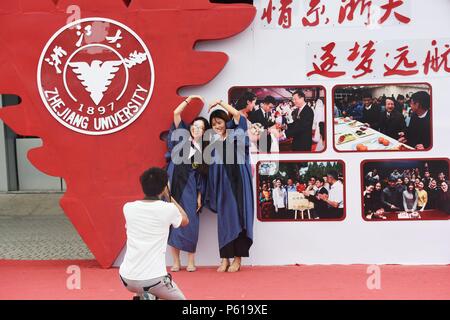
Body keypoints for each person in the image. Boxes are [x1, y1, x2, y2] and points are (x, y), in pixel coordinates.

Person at [119, 168, 189, 300]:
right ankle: (148, 295)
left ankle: (144, 296)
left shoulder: (128, 208)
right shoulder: (168, 209)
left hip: (127, 278)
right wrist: (168, 196)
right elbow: (185, 220)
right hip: (155, 280)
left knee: (144, 288)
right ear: (163, 187)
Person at [207, 100, 254, 273]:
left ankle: (237, 259)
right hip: (222, 186)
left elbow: (238, 115)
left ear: (226, 122)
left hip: (238, 184)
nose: (216, 126)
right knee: (224, 221)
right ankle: (224, 259)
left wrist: (220, 103)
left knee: (239, 219)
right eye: (213, 124)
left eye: (219, 122)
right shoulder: (213, 142)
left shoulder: (236, 132)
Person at [166, 95, 209, 273]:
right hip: (173, 183)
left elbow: (203, 176)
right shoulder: (182, 137)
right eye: (194, 125)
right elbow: (176, 113)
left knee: (191, 223)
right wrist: (190, 99)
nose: (196, 128)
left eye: (200, 127)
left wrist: (200, 195)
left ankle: (191, 260)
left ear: (205, 132)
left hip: (191, 187)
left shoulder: (205, 149)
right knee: (172, 223)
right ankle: (176, 262)